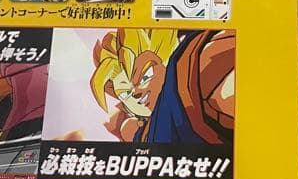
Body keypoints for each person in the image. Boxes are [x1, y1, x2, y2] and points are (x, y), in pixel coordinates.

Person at [90, 28, 234, 144]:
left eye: (145, 77)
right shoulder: (141, 130)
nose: (137, 93)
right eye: (125, 94)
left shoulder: (194, 72)